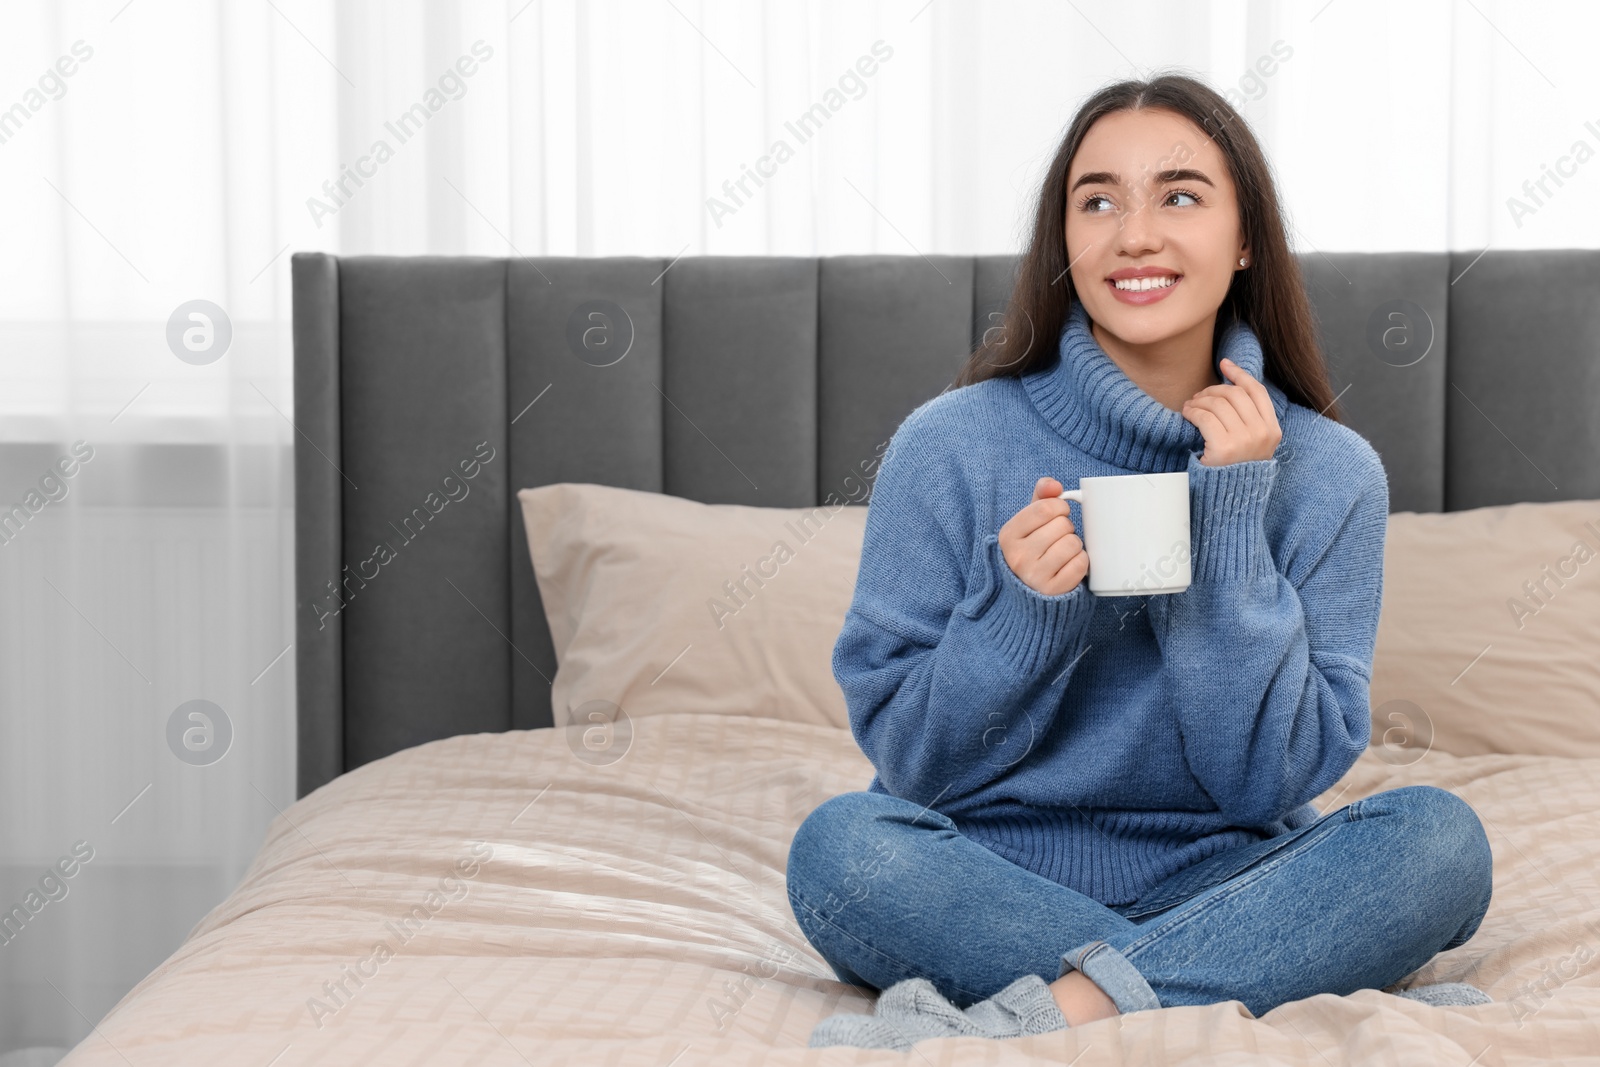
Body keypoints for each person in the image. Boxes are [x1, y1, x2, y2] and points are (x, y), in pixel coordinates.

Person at [788, 71, 1494, 1053]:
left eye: (1179, 195)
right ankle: (1252, 981)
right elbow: (911, 764)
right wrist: (1021, 614)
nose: (1134, 235)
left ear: (1243, 237)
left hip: (1231, 874)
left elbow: (1267, 782)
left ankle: (1050, 1017)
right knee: (839, 852)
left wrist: (1231, 515)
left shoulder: (1329, 474)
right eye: (1098, 200)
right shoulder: (945, 445)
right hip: (988, 879)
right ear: (1062, 239)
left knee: (1439, 844)